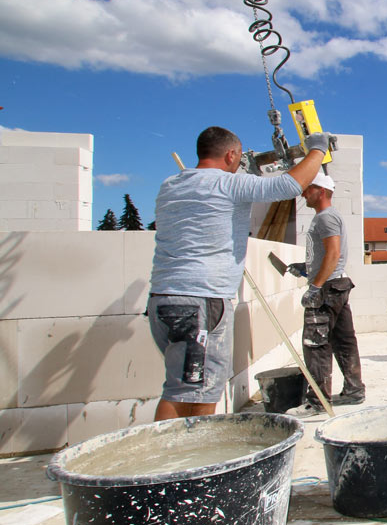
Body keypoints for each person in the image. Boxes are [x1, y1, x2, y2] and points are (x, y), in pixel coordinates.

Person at [148, 126, 330, 421]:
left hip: (162, 299)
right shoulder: (229, 185)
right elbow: (288, 185)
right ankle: (180, 459)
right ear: (231, 154)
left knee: (182, 386)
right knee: (194, 391)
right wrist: (318, 149)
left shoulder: (171, 185)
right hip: (199, 302)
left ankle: (176, 455)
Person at [285, 172, 365, 417]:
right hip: (336, 285)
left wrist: (315, 286)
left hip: (328, 288)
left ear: (320, 191)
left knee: (316, 344)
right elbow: (329, 255)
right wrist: (307, 268)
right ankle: (354, 390)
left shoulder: (325, 217)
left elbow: (333, 253)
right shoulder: (328, 217)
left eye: (308, 189)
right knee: (343, 340)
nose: (303, 193)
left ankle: (317, 402)